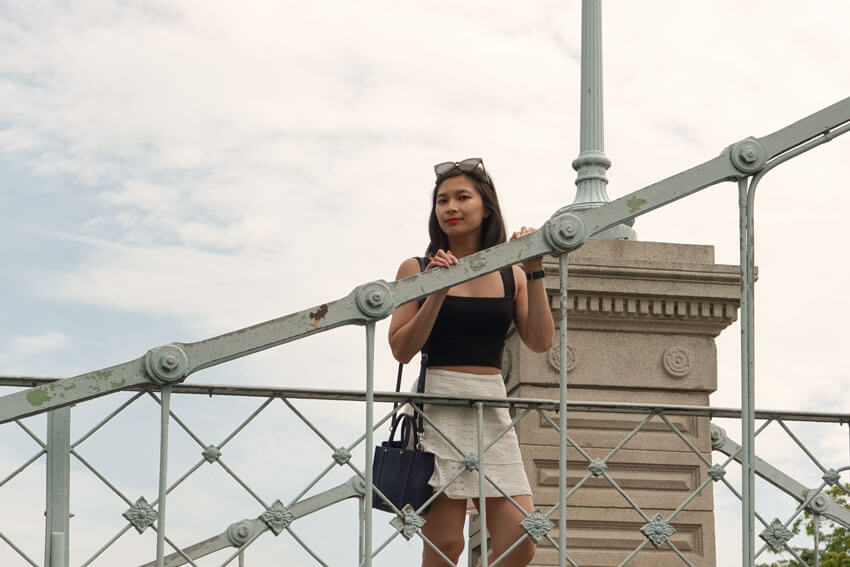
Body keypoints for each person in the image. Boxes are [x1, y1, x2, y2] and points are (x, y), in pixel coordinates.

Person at [388, 158, 554, 567]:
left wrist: (534, 272)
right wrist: (437, 292)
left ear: (486, 207)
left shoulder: (509, 273)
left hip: (491, 406)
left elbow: (540, 341)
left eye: (462, 197)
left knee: (521, 539)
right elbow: (401, 349)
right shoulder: (417, 269)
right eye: (442, 200)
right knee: (446, 546)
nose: (450, 207)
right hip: (440, 404)